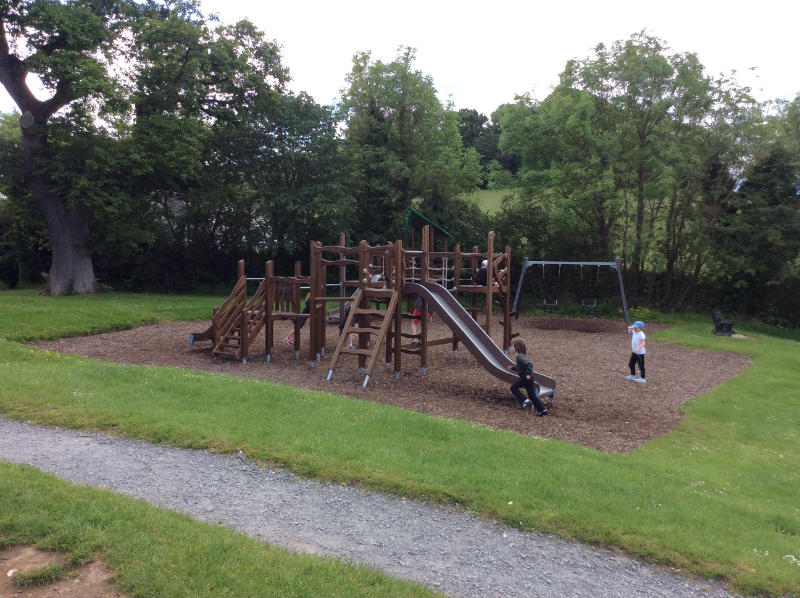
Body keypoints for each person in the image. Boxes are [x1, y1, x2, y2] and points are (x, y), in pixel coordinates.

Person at [507, 340, 548, 416]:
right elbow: (520, 368)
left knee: (513, 387)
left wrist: (528, 374)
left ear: (517, 348)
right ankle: (543, 410)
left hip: (526, 378)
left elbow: (529, 364)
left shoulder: (520, 357)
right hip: (529, 378)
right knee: (532, 396)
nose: (511, 348)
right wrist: (512, 368)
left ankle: (525, 400)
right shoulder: (519, 356)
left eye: (512, 346)